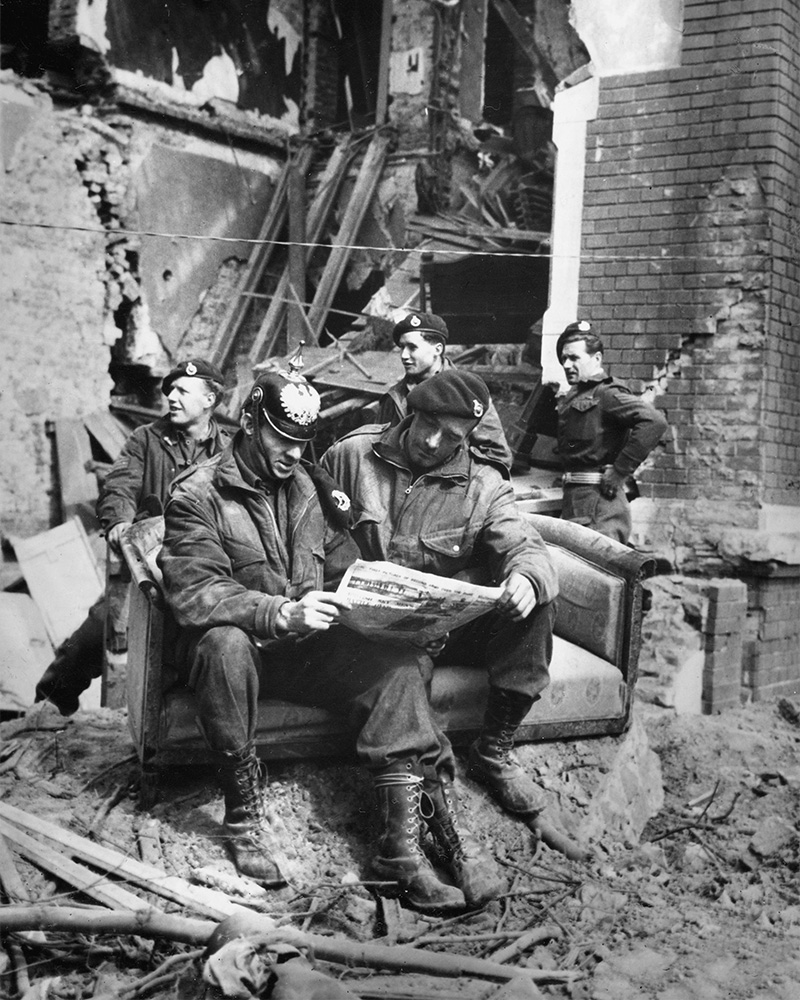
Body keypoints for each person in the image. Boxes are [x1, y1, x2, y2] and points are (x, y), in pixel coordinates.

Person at [156, 367, 499, 912]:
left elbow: (345, 565)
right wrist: (280, 612)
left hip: (306, 651)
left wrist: (381, 608)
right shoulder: (198, 495)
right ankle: (243, 821)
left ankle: (403, 852)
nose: (293, 453)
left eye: (302, 442)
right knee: (224, 643)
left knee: (399, 662)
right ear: (248, 421)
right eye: (281, 439)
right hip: (243, 653)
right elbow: (196, 591)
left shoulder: (312, 486)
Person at [321, 369, 559, 838]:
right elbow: (311, 527)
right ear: (412, 410)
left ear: (468, 436)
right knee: (399, 675)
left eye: (452, 436)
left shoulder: (484, 485)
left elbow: (525, 546)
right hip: (366, 628)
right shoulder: (352, 455)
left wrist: (527, 579)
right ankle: (428, 818)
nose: (432, 442)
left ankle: (495, 749)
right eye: (427, 424)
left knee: (535, 606)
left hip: (443, 627)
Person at [34, 359, 230, 715]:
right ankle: (46, 710)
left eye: (183, 391)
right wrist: (121, 523)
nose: (171, 396)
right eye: (170, 389)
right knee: (93, 637)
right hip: (147, 568)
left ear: (210, 400)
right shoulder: (146, 439)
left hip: (203, 571)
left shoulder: (228, 452)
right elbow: (119, 486)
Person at [555, 321, 668, 544]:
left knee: (597, 575)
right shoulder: (575, 397)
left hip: (600, 504)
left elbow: (654, 421)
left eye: (574, 358)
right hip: (576, 500)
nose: (567, 364)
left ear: (596, 359)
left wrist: (619, 471)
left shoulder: (606, 393)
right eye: (564, 359)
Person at [377, 311, 513, 470]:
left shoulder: (467, 396)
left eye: (412, 347)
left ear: (438, 349)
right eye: (402, 347)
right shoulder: (395, 396)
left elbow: (498, 458)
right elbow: (379, 447)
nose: (404, 355)